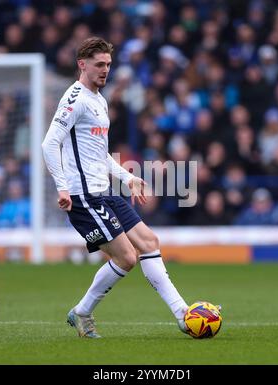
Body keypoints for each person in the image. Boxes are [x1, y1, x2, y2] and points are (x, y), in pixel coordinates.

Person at [42, 36, 190, 339]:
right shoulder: (75, 99)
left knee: (149, 241)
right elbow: (49, 143)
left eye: (108, 65)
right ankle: (82, 312)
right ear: (82, 64)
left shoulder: (100, 99)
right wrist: (62, 187)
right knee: (126, 258)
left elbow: (100, 155)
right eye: (99, 64)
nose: (105, 70)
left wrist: (127, 177)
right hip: (83, 197)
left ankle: (183, 314)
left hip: (105, 191)